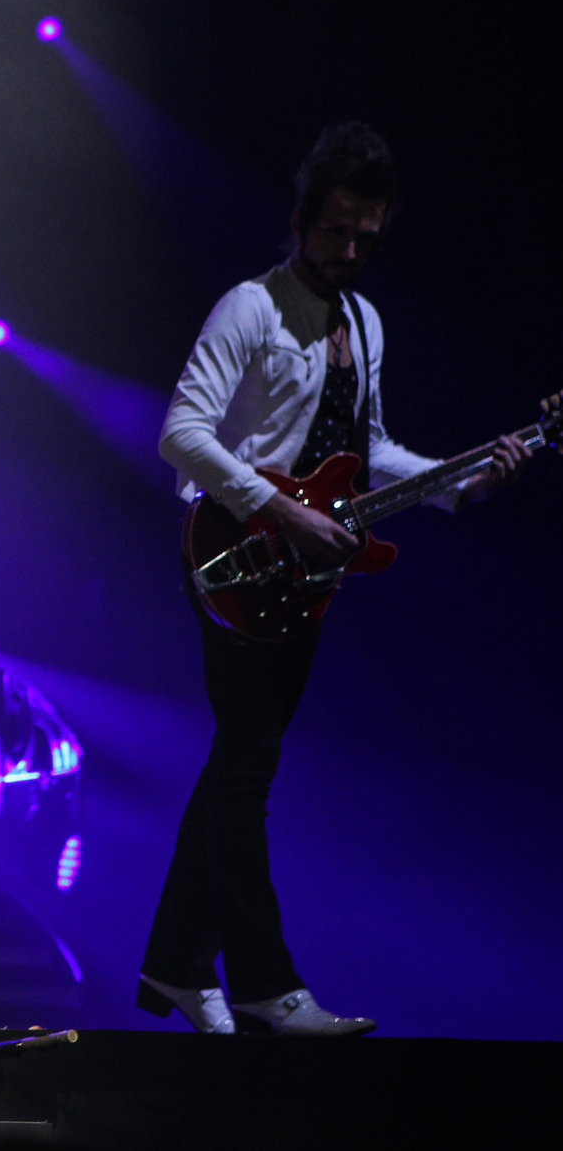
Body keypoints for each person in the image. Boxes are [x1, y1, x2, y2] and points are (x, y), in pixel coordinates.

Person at [140, 122, 547, 1035]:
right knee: (246, 771)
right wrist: (278, 510)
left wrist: (465, 476)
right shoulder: (250, 307)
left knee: (238, 764)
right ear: (300, 220)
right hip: (235, 556)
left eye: (368, 237)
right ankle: (261, 985)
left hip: (305, 575)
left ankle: (173, 965)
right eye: (338, 233)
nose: (352, 251)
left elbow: (371, 452)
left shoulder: (365, 322)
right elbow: (181, 433)